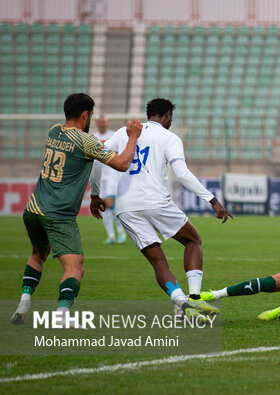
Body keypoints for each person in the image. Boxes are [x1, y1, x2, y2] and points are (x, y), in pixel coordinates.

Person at [91, 98, 234, 321]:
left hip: (126, 207)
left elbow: (97, 159)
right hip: (156, 201)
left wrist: (94, 194)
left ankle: (181, 302)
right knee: (193, 240)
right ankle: (194, 298)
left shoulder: (122, 133)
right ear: (167, 115)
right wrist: (212, 200)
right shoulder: (169, 137)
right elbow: (183, 173)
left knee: (158, 262)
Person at [10, 93, 142, 325]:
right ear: (85, 114)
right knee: (75, 268)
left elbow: (84, 155)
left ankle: (23, 304)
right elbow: (122, 163)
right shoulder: (86, 141)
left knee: (38, 254)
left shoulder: (53, 131)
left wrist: (94, 193)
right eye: (90, 114)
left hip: (33, 209)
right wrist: (133, 137)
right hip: (58, 214)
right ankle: (62, 315)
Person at [92, 115, 127, 244]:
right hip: (100, 176)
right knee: (103, 206)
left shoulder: (113, 135)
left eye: (103, 122)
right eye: (99, 122)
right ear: (96, 124)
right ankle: (111, 235)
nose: (101, 124)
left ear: (107, 123)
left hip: (112, 174)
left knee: (111, 204)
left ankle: (121, 231)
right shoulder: (93, 137)